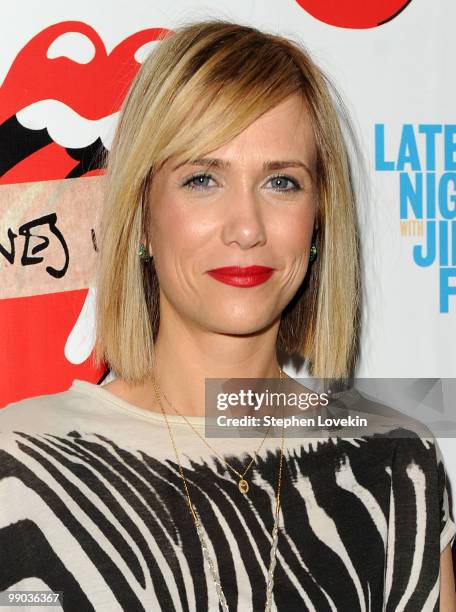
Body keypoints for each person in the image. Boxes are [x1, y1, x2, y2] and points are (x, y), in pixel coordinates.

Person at [1, 18, 455, 612]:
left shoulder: (393, 465)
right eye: (203, 178)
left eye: (282, 182)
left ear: (319, 219)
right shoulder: (22, 464)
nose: (246, 228)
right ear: (141, 214)